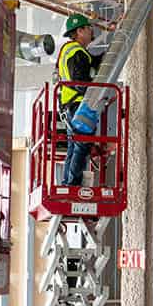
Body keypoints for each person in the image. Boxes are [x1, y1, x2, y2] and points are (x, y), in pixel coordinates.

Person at [57, 12, 100, 187]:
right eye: (89, 28)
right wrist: (95, 89)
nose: (91, 31)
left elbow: (88, 66)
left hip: (71, 105)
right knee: (81, 146)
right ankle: (72, 184)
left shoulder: (76, 51)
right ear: (80, 31)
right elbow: (80, 81)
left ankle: (69, 183)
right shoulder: (76, 52)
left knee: (74, 147)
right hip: (78, 104)